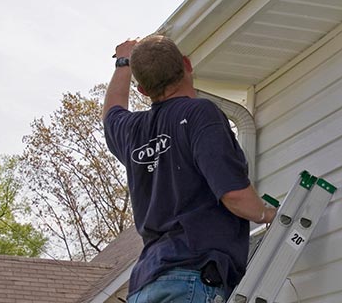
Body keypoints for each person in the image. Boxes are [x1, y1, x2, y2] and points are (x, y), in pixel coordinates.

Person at [103, 34, 276, 303]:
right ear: (187, 64)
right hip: (192, 276)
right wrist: (268, 214)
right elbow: (233, 194)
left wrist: (123, 62)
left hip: (145, 285)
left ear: (143, 91)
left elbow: (112, 111)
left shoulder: (132, 131)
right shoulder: (199, 114)